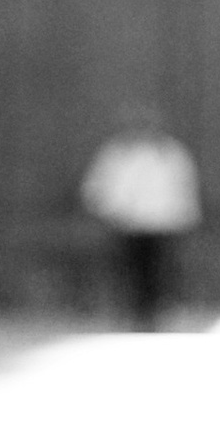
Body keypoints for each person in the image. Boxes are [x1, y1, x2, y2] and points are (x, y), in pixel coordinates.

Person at [79, 108, 202, 325]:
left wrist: (183, 215)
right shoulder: (117, 153)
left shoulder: (170, 153)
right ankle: (130, 313)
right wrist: (108, 211)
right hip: (126, 225)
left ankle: (157, 314)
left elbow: (182, 186)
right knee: (129, 270)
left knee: (159, 271)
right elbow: (100, 186)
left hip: (161, 224)